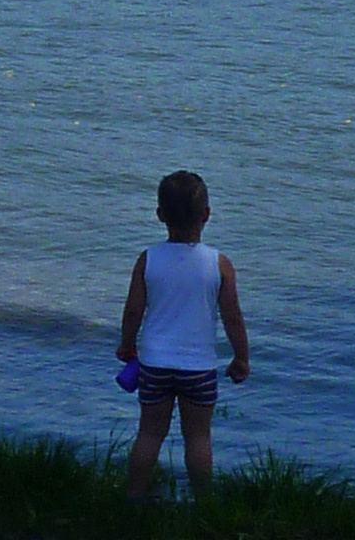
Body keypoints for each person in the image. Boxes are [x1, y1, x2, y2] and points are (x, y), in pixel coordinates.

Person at [117, 169, 249, 501]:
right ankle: (204, 502)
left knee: (149, 434)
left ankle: (132, 498)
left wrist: (127, 344)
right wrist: (241, 357)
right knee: (198, 439)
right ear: (207, 215)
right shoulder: (219, 264)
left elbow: (134, 310)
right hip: (199, 367)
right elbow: (232, 317)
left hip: (155, 364)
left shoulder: (148, 259)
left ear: (160, 215)